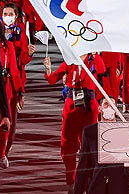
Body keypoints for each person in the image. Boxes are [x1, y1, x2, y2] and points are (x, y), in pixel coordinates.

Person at [43, 52, 105, 189]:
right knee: (67, 146)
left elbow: (102, 70)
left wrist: (95, 55)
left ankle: (89, 182)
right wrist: (48, 68)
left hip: (89, 107)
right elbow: (52, 79)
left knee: (90, 147)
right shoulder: (69, 61)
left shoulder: (92, 60)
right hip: (71, 106)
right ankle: (72, 181)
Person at [73, 97, 129, 194]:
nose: (109, 107)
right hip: (97, 185)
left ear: (116, 110)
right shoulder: (89, 131)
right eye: (106, 104)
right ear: (99, 108)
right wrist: (77, 191)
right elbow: (83, 164)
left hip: (120, 186)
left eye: (112, 105)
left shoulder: (125, 130)